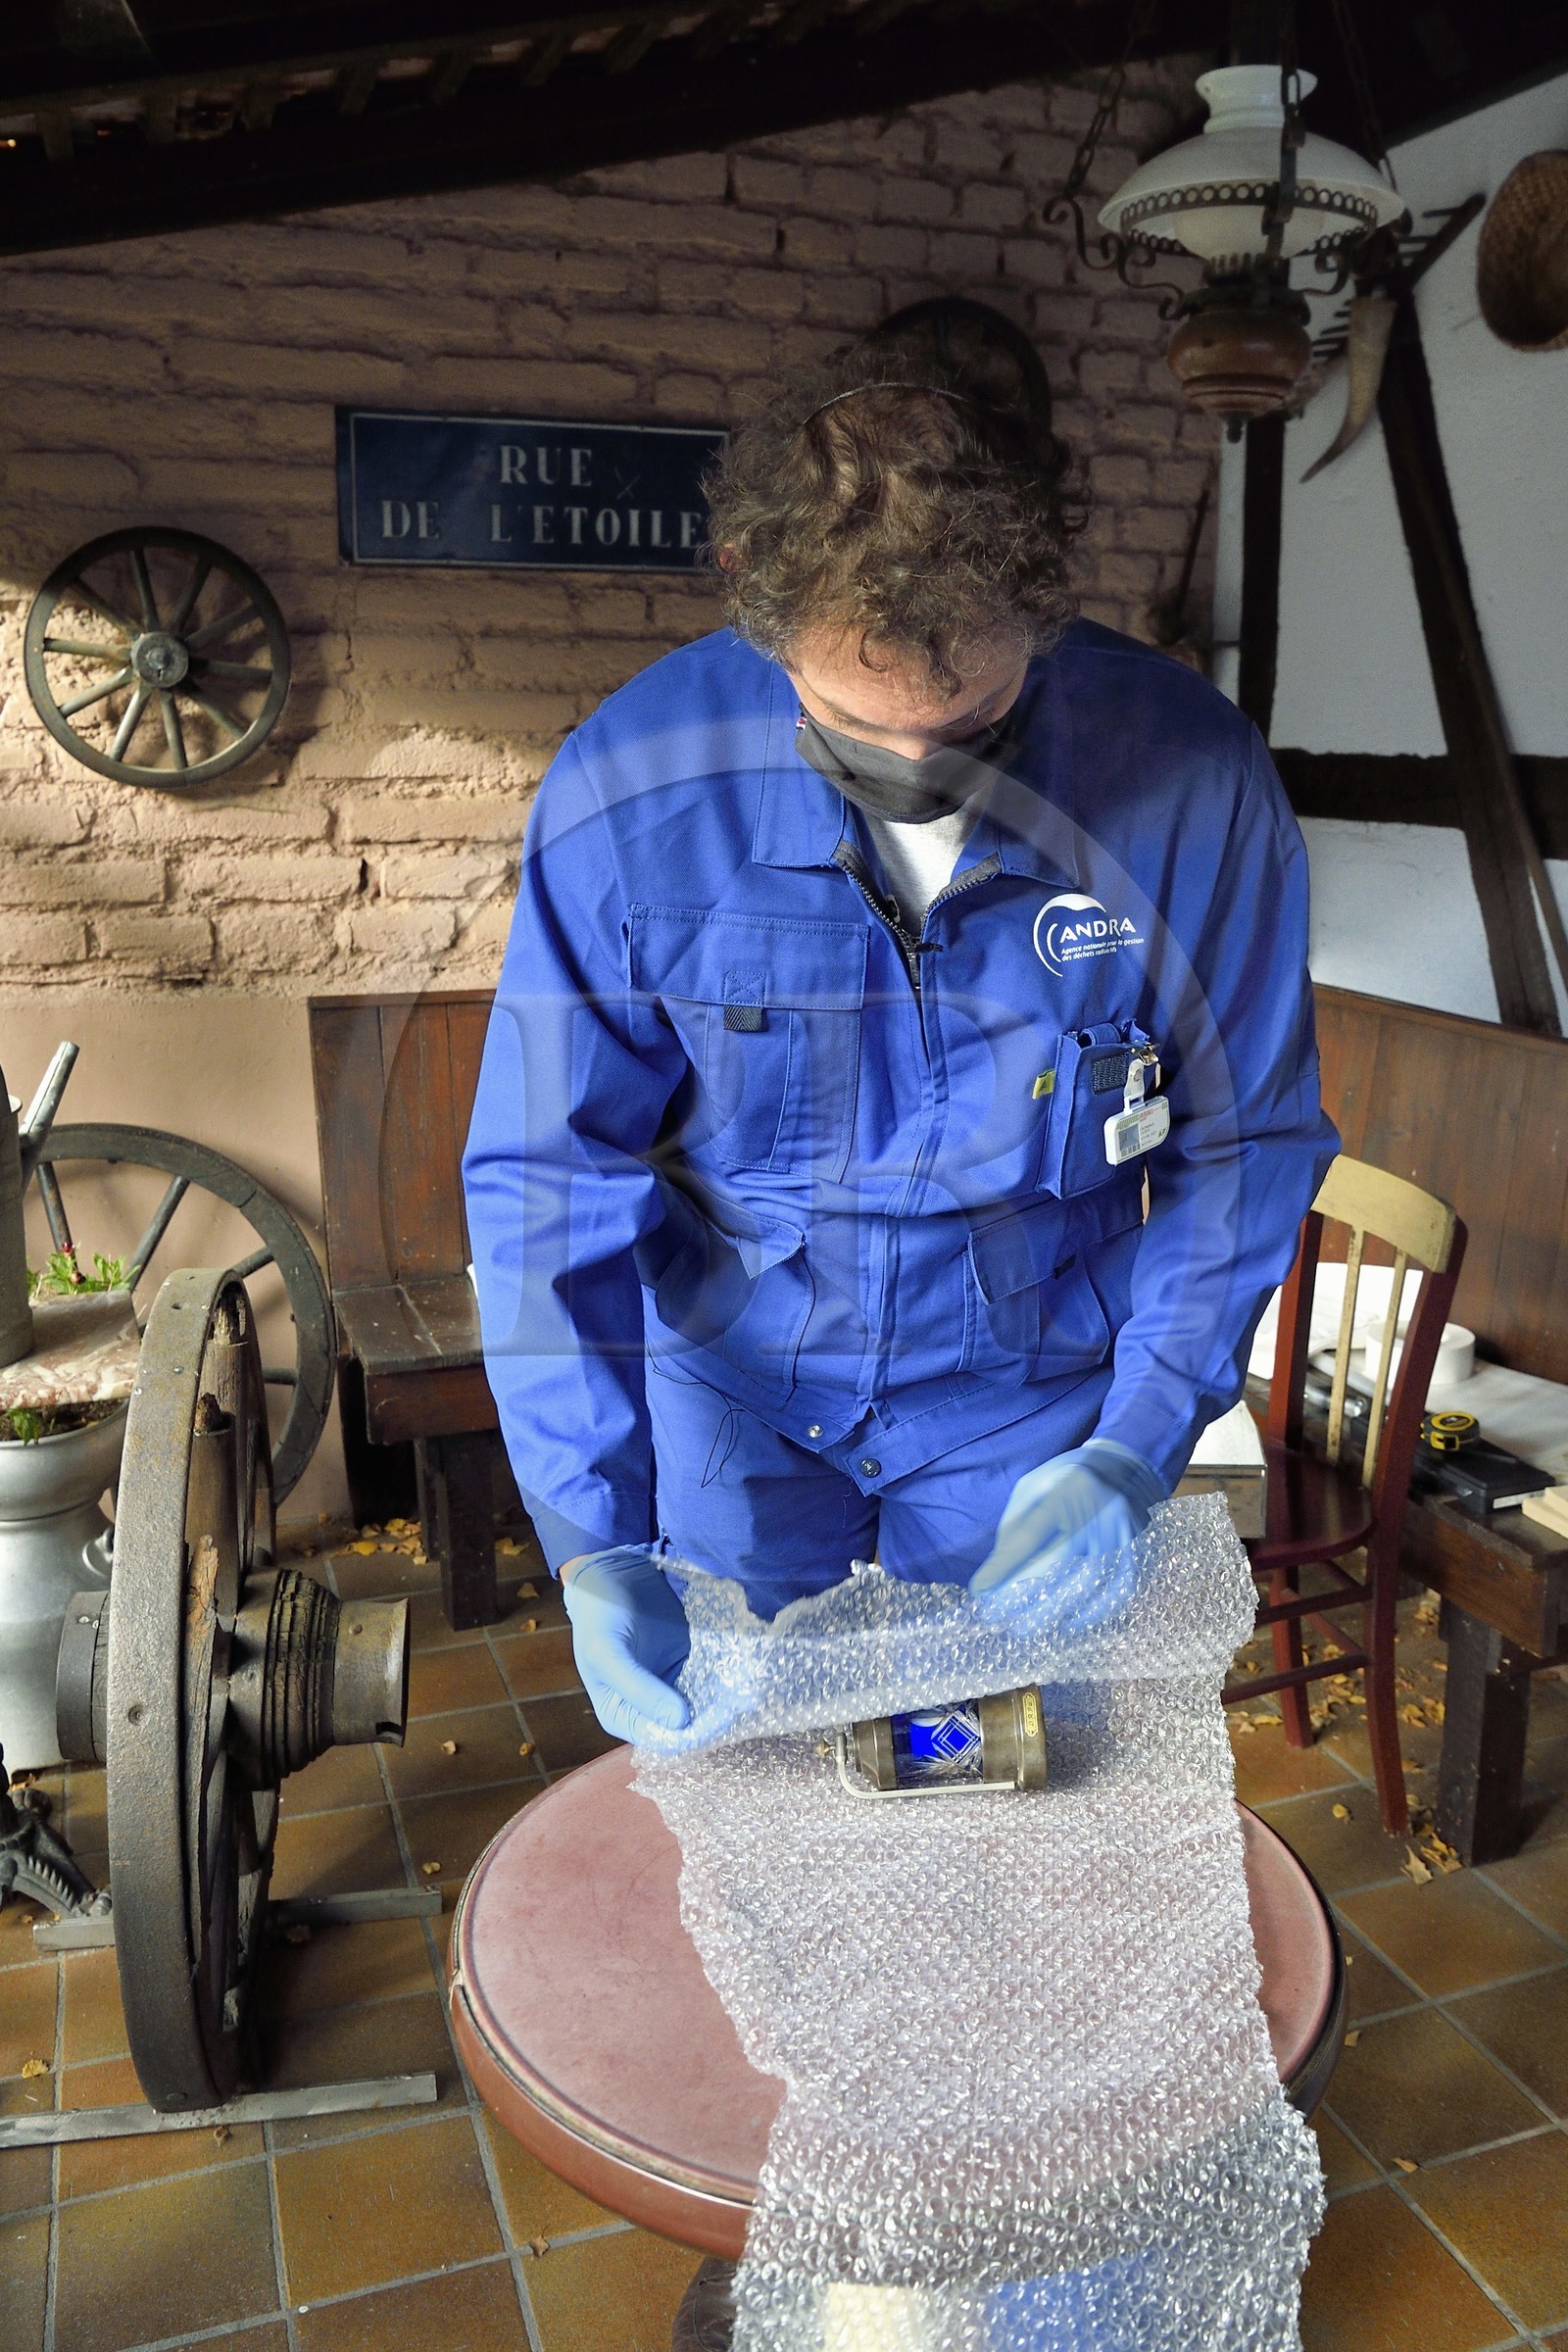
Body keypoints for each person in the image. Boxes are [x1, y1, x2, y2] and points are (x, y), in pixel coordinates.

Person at [463, 318, 1338, 1747]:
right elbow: (550, 1175)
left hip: (1027, 1402)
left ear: (1047, 607)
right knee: (754, 1784)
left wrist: (1137, 1440)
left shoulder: (1196, 782)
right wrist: (590, 1533)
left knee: (1014, 1785)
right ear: (755, 606)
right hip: (737, 1394)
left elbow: (1243, 1144)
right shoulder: (626, 787)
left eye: (974, 725)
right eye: (860, 738)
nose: (921, 781)